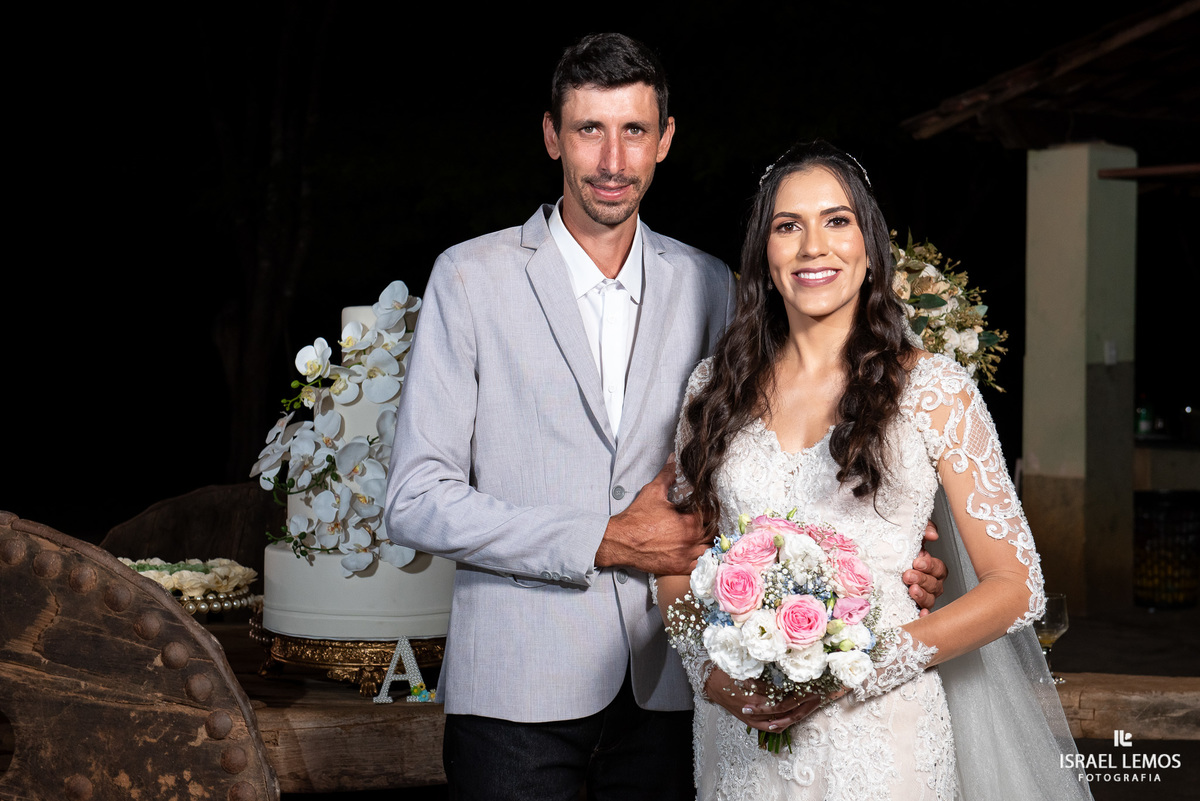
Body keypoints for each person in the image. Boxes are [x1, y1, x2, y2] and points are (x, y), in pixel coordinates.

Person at [385, 37, 945, 801]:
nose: (612, 158)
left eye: (635, 131)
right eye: (589, 130)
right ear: (552, 136)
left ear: (665, 140)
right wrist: (605, 537)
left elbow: (765, 464)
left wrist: (873, 565)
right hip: (516, 696)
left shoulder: (711, 285)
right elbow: (417, 498)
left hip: (675, 691)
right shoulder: (470, 277)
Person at [658, 140, 1093, 800]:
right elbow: (675, 561)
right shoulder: (713, 389)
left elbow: (1016, 584)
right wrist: (710, 676)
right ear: (763, 253)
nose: (813, 247)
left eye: (836, 220)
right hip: (738, 738)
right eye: (788, 226)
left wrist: (860, 666)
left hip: (881, 737)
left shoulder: (934, 391)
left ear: (870, 246)